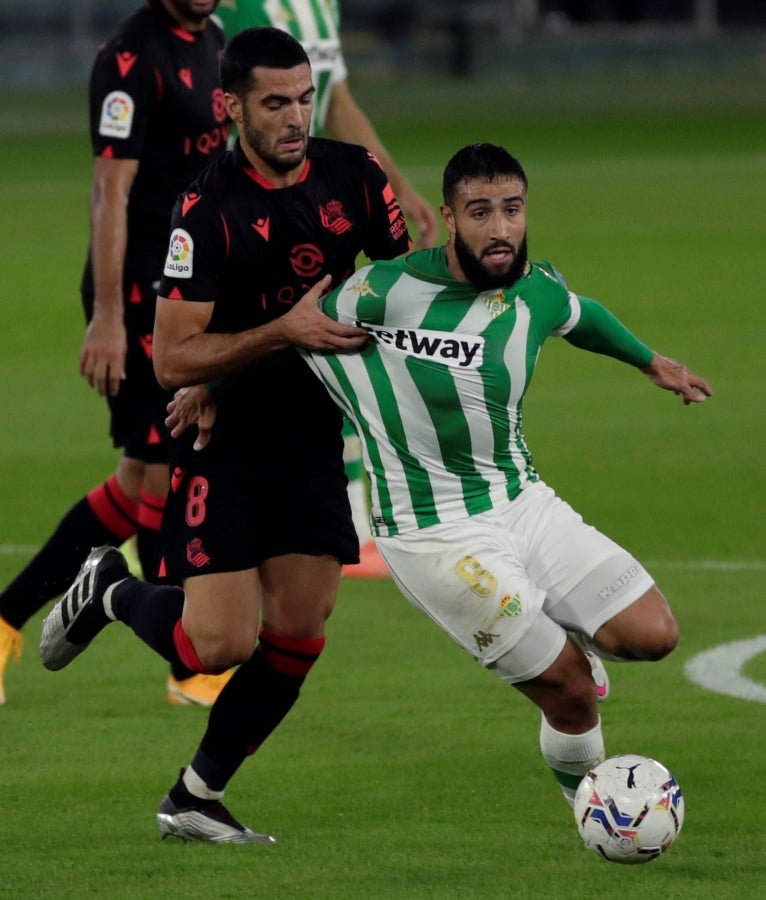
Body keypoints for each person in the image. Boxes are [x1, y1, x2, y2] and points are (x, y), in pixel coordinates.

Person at [170, 142, 711, 818]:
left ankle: (559, 641)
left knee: (653, 634)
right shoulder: (380, 291)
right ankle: (594, 812)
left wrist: (650, 361)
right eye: (481, 212)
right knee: (570, 690)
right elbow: (290, 333)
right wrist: (208, 385)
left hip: (523, 502)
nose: (501, 228)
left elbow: (582, 315)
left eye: (512, 209)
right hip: (435, 535)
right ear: (450, 218)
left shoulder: (534, 288)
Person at [40, 26, 411, 844]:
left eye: (305, 99)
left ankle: (195, 796)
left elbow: (395, 294)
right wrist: (278, 334)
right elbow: (172, 360)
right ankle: (108, 587)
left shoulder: (355, 176)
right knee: (216, 644)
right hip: (228, 441)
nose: (294, 118)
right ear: (231, 105)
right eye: (274, 102)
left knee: (301, 632)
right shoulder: (206, 208)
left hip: (314, 432)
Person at [0, 0, 232, 708]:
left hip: (186, 290)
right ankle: (187, 661)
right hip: (134, 293)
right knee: (165, 471)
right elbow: (111, 189)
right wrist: (105, 315)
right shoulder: (131, 59)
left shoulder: (214, 40)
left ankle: (4, 621)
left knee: (136, 485)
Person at [215, 0, 439, 578]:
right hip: (241, 217)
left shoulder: (321, 6)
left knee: (338, 345)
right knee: (223, 380)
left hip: (313, 205)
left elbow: (337, 103)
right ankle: (172, 522)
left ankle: (357, 524)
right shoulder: (234, 10)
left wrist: (398, 187)